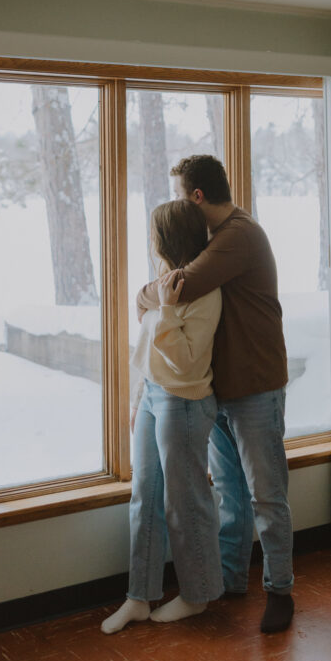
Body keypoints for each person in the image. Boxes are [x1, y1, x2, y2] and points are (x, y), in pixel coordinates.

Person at [137, 155, 294, 634]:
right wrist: (155, 295)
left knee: (267, 496)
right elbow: (170, 290)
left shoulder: (238, 236)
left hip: (256, 386)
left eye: (183, 197)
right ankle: (231, 580)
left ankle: (280, 591)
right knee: (231, 492)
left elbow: (179, 287)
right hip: (221, 387)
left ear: (197, 196)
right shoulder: (217, 239)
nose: (181, 207)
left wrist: (150, 294)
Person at [101, 199, 223, 634]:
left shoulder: (203, 292)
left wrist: (167, 312)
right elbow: (148, 348)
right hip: (155, 397)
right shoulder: (164, 285)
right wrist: (139, 399)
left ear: (168, 239)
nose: (151, 241)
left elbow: (186, 364)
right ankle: (139, 596)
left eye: (155, 233)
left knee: (185, 502)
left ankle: (197, 596)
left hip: (184, 401)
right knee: (144, 497)